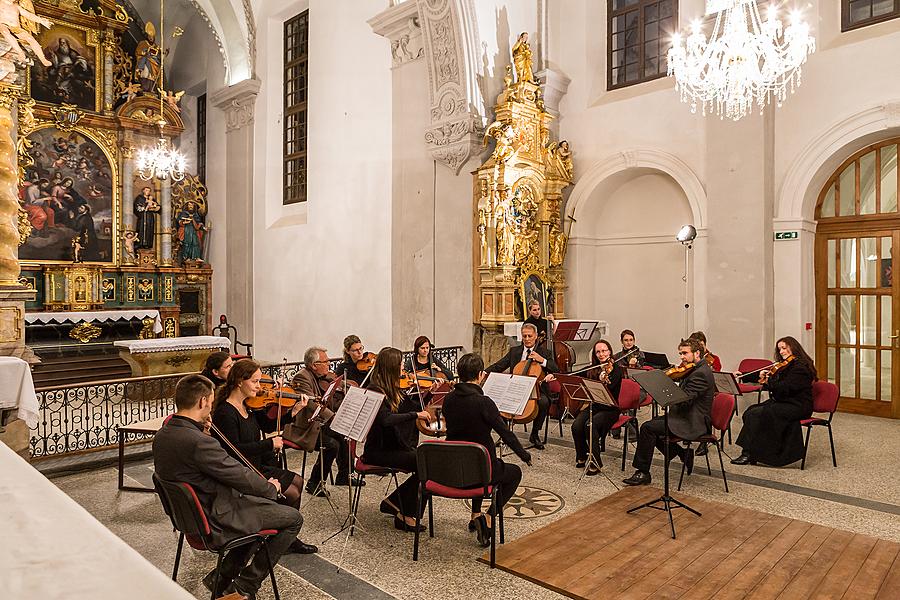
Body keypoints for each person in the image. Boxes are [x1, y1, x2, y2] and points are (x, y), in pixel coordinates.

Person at [152, 374, 303, 599]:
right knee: (292, 519)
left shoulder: (164, 434)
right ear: (203, 401)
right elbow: (237, 473)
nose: (211, 408)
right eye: (211, 402)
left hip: (189, 514)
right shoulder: (198, 442)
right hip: (215, 516)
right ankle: (245, 585)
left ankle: (221, 577)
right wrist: (270, 488)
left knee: (260, 511)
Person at [210, 359, 318, 554]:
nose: (260, 387)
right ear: (239, 382)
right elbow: (234, 450)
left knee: (299, 482)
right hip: (243, 472)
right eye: (255, 382)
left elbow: (268, 426)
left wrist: (294, 411)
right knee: (292, 492)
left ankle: (285, 536)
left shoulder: (248, 405)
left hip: (255, 463)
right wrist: (269, 443)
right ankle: (281, 536)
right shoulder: (225, 413)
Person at [443, 352, 531, 547]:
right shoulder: (484, 403)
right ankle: (489, 517)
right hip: (481, 470)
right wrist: (524, 455)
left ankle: (475, 514)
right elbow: (505, 433)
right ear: (481, 375)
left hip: (454, 469)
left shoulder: (448, 400)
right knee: (514, 473)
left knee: (472, 457)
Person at [623, 337, 714, 486]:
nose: (682, 357)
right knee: (651, 425)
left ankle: (642, 472)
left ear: (697, 353)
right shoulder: (694, 369)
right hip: (684, 415)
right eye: (680, 354)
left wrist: (666, 390)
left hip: (693, 421)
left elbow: (685, 401)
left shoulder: (701, 373)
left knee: (647, 428)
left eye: (685, 353)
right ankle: (682, 453)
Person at [361, 347, 432, 532]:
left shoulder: (391, 387)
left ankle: (394, 502)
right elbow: (386, 420)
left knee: (427, 463)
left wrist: (430, 393)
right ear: (392, 366)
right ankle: (405, 515)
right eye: (400, 364)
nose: (403, 367)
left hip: (392, 447)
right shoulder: (375, 389)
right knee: (425, 463)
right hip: (378, 451)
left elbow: (413, 405)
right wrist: (415, 414)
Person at [287, 346, 363, 495]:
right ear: (314, 365)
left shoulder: (325, 376)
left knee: (343, 434)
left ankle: (344, 475)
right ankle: (314, 483)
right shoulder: (302, 377)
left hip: (319, 423)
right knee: (331, 445)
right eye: (326, 361)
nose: (329, 365)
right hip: (305, 427)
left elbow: (330, 398)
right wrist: (333, 417)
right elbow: (311, 404)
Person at [732, 337, 816, 466]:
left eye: (784, 348)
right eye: (779, 349)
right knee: (750, 411)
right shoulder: (786, 365)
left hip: (798, 405)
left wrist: (768, 381)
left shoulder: (801, 368)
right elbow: (769, 376)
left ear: (793, 347)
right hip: (784, 402)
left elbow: (785, 387)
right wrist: (743, 375)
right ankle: (754, 451)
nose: (781, 352)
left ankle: (748, 453)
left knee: (757, 414)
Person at [486, 323, 558, 450]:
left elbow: (556, 369)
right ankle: (505, 434)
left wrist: (542, 361)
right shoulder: (515, 351)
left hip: (537, 390)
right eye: (524, 336)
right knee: (498, 401)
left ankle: (535, 434)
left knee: (544, 402)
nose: (527, 339)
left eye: (530, 336)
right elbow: (500, 365)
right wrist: (484, 372)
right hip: (516, 389)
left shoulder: (544, 352)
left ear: (536, 336)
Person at [571, 340, 622, 474]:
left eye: (604, 351)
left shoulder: (615, 369)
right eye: (598, 352)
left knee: (590, 425)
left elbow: (609, 389)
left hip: (610, 409)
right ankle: (582, 456)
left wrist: (603, 380)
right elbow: (576, 374)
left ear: (609, 351)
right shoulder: (593, 368)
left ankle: (595, 461)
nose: (601, 354)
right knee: (576, 425)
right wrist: (556, 374)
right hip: (595, 406)